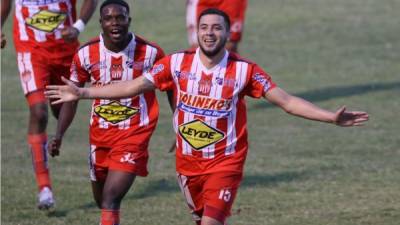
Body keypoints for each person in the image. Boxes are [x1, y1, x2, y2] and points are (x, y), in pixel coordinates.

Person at [46, 8, 369, 225]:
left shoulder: (245, 71)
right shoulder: (175, 64)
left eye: (216, 28)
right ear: (196, 32)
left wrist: (330, 117)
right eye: (204, 28)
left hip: (225, 163)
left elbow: (285, 101)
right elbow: (132, 87)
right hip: (188, 166)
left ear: (228, 32)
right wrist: (84, 92)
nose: (209, 33)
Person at [47, 0, 167, 224]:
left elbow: (171, 84)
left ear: (128, 21)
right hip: (100, 137)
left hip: (134, 134)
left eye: (120, 18)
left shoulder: (150, 53)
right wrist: (59, 135)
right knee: (102, 201)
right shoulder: (85, 54)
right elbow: (71, 99)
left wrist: (179, 123)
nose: (115, 23)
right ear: (101, 23)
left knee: (111, 198)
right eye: (109, 18)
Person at [0, 0, 97, 209]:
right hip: (31, 50)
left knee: (61, 111)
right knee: (39, 113)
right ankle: (44, 188)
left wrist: (78, 26)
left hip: (65, 51)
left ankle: (89, 153)